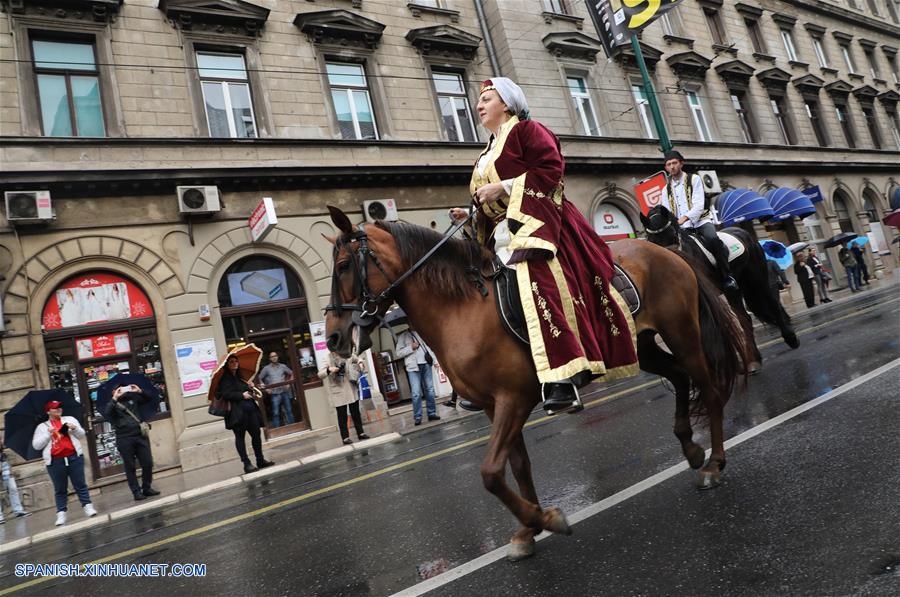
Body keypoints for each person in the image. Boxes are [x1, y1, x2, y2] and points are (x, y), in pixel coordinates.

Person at [450, 78, 638, 414]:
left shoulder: (528, 130)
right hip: (502, 232)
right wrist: (472, 213)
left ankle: (564, 376)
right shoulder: (487, 150)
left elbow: (551, 171)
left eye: (487, 99)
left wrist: (504, 187)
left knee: (537, 278)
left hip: (540, 223)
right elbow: (490, 201)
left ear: (506, 104)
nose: (479, 106)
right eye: (479, 101)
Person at [663, 149, 738, 291]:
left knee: (713, 239)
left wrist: (684, 218)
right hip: (681, 228)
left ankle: (727, 276)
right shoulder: (665, 190)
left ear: (681, 164)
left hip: (701, 221)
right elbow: (667, 211)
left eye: (674, 163)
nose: (672, 167)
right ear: (666, 168)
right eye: (669, 164)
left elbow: (698, 205)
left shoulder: (694, 179)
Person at [31, 400, 98, 526]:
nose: (59, 409)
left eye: (60, 407)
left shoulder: (69, 419)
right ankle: (61, 514)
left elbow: (82, 434)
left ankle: (88, 507)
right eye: (55, 408)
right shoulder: (42, 427)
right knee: (60, 489)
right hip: (55, 462)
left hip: (74, 457)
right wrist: (48, 434)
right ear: (48, 411)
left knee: (80, 484)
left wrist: (75, 428)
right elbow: (36, 446)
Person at [216, 355, 274, 473]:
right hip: (237, 413)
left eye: (236, 361)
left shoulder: (240, 377)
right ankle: (246, 464)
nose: (235, 363)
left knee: (256, 434)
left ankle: (260, 460)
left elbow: (247, 391)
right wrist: (241, 395)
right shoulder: (224, 379)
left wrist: (250, 387)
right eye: (231, 362)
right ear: (227, 365)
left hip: (250, 410)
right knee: (240, 437)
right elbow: (226, 394)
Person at [104, 382, 159, 501]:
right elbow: (107, 414)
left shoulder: (133, 398)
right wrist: (114, 398)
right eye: (119, 389)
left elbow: (151, 398)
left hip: (139, 436)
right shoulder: (112, 404)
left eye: (123, 389)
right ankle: (136, 492)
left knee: (148, 463)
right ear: (113, 392)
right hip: (124, 439)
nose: (122, 391)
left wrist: (140, 391)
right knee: (130, 466)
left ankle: (146, 488)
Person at [318, 352, 369, 444]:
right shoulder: (327, 358)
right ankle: (345, 437)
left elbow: (358, 358)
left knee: (356, 413)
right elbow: (320, 374)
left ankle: (361, 433)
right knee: (342, 415)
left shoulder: (347, 353)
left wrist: (360, 362)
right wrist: (329, 370)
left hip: (351, 387)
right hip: (338, 389)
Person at [395, 328, 440, 425]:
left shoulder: (422, 331)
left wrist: (435, 361)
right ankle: (418, 417)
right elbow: (398, 353)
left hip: (426, 364)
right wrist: (411, 347)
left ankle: (432, 413)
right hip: (413, 367)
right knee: (416, 393)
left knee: (430, 390)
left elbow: (429, 347)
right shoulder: (403, 336)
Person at [259, 351, 295, 428]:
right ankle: (277, 429)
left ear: (277, 357)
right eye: (272, 356)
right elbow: (259, 378)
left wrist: (289, 383)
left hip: (284, 392)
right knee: (276, 413)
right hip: (274, 394)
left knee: (289, 410)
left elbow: (292, 373)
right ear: (270, 358)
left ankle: (293, 427)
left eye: (275, 356)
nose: (274, 357)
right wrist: (266, 389)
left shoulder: (283, 366)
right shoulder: (266, 368)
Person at [0, 441, 31, 523]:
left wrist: (10, 472)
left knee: (13, 489)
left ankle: (18, 511)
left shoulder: (3, 453)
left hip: (7, 473)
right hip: (2, 473)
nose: (1, 442)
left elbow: (7, 463)